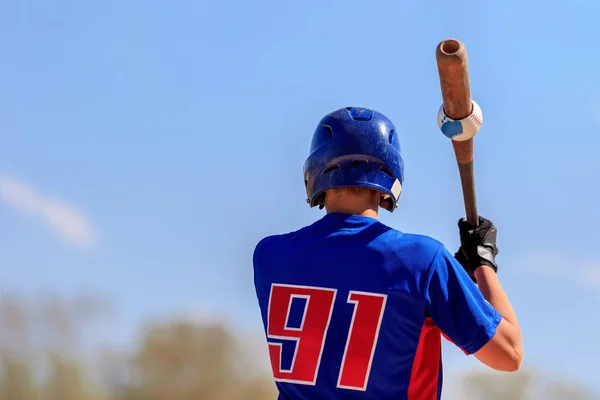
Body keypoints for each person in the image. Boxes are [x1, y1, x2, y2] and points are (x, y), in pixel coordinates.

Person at [253, 107, 523, 400]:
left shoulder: (270, 256)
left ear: (315, 172)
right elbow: (509, 354)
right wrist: (482, 265)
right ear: (390, 179)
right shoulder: (423, 261)